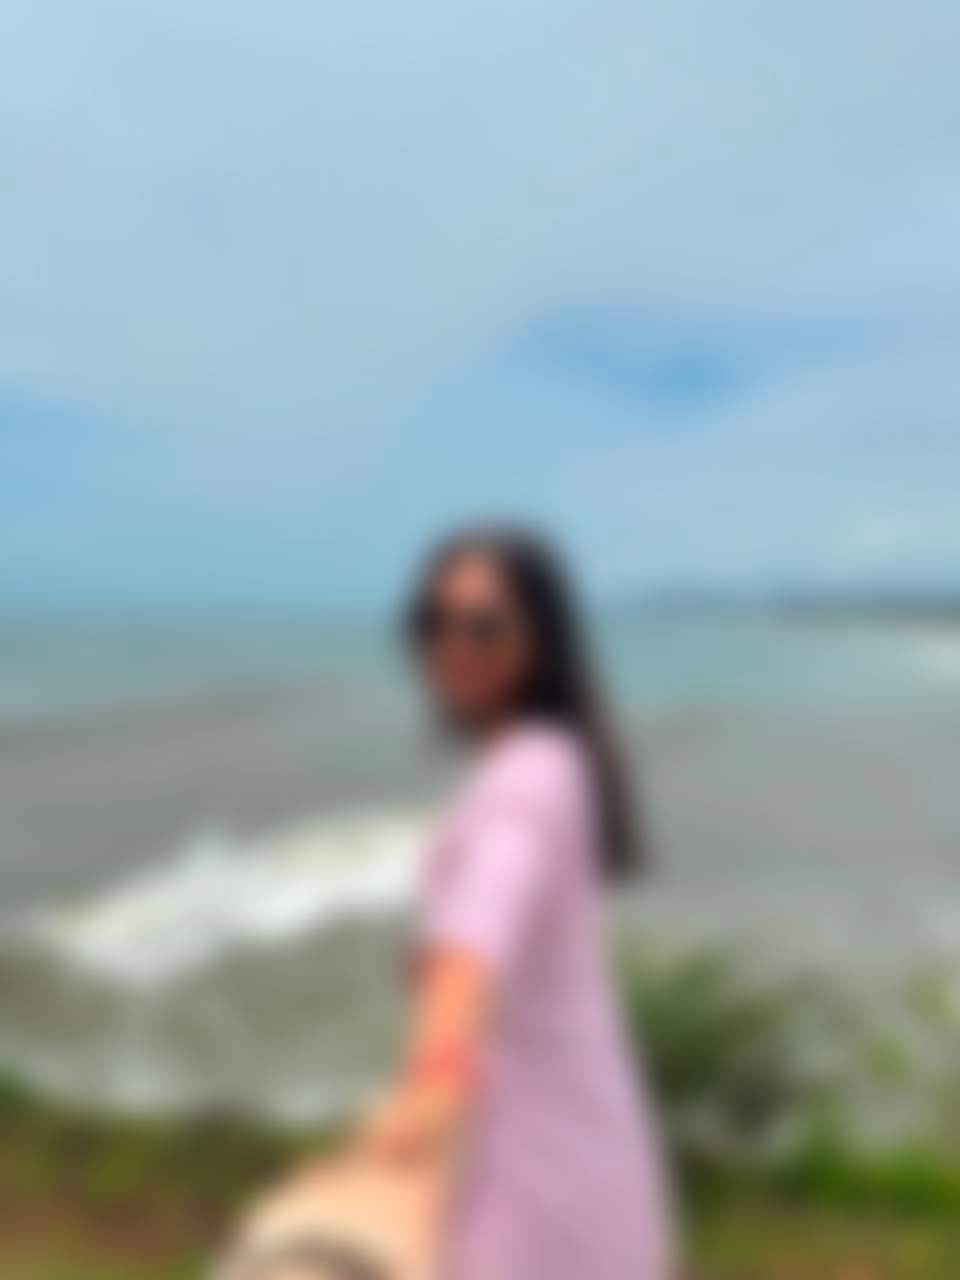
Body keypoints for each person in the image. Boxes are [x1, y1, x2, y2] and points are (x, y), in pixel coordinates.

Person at [350, 525, 673, 1279]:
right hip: (566, 1136)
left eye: (484, 626)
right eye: (433, 622)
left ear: (542, 638)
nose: (453, 645)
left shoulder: (525, 782)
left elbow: (474, 939)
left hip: (539, 1176)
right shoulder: (557, 759)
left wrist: (434, 1076)